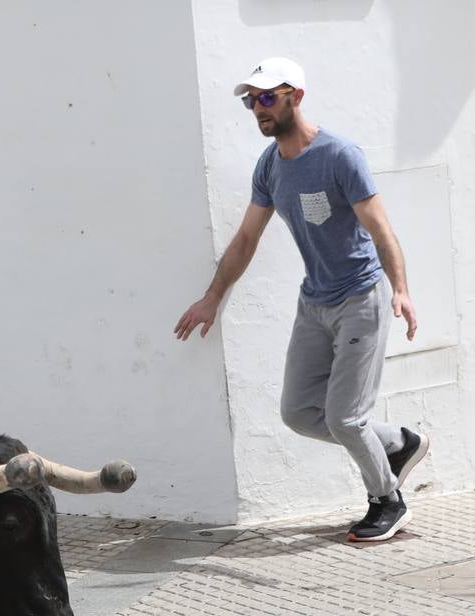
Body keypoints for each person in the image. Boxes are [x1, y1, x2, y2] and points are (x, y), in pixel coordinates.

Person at [174, 57, 429, 542]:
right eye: (252, 100)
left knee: (345, 417)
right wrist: (212, 296)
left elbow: (380, 228)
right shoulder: (270, 166)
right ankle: (399, 443)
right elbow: (246, 238)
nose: (259, 108)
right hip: (314, 303)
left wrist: (400, 288)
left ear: (297, 97)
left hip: (361, 297)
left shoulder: (339, 156)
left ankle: (388, 501)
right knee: (298, 412)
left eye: (268, 97)